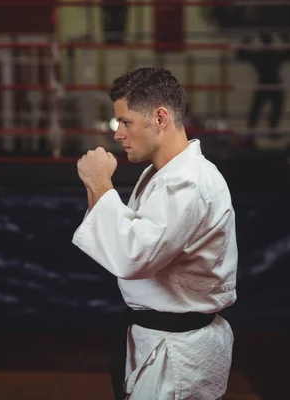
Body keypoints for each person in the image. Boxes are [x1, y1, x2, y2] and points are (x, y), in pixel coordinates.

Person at [72, 67, 238, 400]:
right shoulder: (160, 174)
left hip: (179, 351)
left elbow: (132, 257)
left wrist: (100, 182)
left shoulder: (188, 183)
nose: (118, 134)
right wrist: (96, 185)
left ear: (160, 118)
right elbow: (119, 238)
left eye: (126, 122)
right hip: (156, 338)